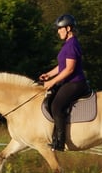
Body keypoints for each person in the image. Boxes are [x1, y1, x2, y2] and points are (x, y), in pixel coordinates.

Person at [39, 14, 90, 152]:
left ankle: (60, 142)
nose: (58, 31)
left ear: (68, 28)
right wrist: (48, 74)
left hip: (76, 83)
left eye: (60, 28)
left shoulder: (72, 44)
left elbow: (70, 69)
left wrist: (52, 82)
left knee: (57, 105)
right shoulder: (67, 44)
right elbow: (62, 66)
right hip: (69, 82)